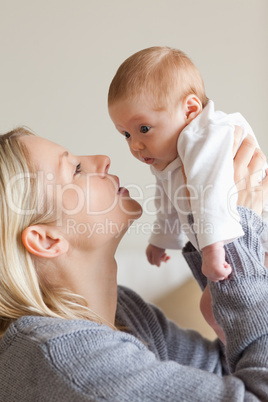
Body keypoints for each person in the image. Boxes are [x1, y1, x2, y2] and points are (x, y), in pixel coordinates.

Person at [0, 126, 268, 401]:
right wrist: (234, 235)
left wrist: (210, 231)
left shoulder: (124, 313)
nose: (103, 159)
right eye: (76, 169)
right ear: (46, 240)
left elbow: (221, 375)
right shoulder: (66, 359)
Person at [108, 46, 268, 284]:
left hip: (258, 233)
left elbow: (212, 191)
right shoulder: (170, 159)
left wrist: (213, 249)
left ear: (190, 110)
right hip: (243, 239)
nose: (135, 145)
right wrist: (162, 238)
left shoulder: (206, 136)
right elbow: (168, 200)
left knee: (214, 307)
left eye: (143, 129)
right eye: (126, 134)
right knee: (211, 309)